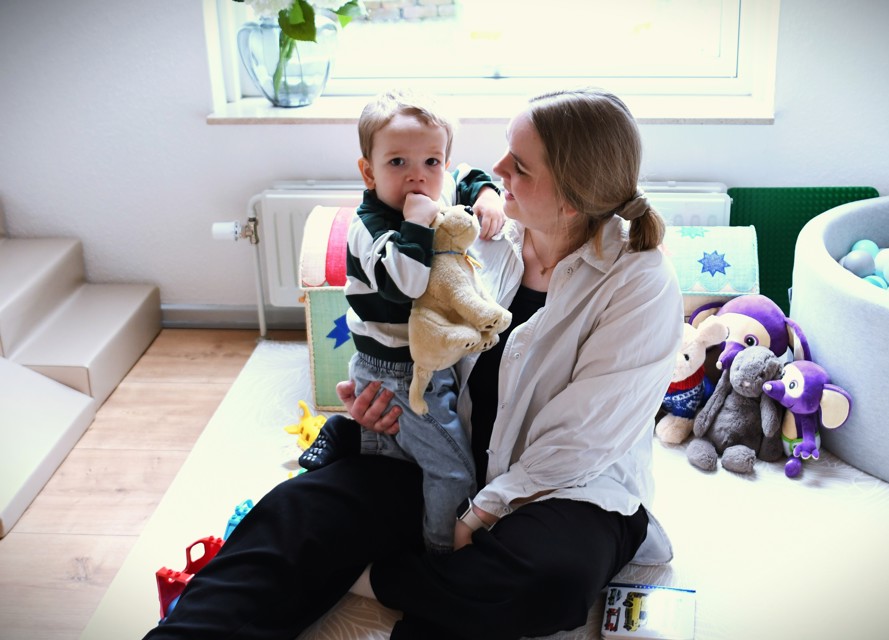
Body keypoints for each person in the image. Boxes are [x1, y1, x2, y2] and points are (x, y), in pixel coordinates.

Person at [143, 87, 683, 640]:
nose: (494, 170)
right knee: (294, 515)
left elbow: (581, 442)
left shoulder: (640, 284)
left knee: (548, 581)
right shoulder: (479, 235)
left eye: (517, 166)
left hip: (567, 488)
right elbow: (406, 335)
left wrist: (476, 516)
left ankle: (381, 578)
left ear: (570, 199)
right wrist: (381, 403)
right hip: (443, 455)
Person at [304, 89, 505, 554]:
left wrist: (489, 195)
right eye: (397, 163)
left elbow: (466, 177)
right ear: (369, 171)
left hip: (424, 357)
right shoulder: (370, 228)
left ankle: (354, 443)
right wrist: (417, 219)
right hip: (397, 371)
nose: (419, 176)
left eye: (432, 161)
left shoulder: (439, 182)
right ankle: (440, 556)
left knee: (401, 454)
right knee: (451, 468)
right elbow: (407, 283)